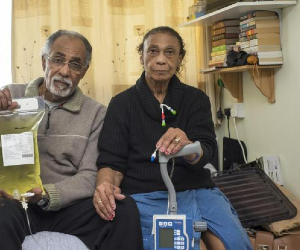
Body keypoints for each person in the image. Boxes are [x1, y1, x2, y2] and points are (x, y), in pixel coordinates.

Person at [0, 30, 143, 250]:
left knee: (124, 209)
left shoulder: (97, 113)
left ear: (84, 71)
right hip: (14, 200)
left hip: (69, 205)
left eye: (75, 64)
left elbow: (90, 175)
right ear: (44, 61)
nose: (64, 71)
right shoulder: (11, 96)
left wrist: (46, 196)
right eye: (58, 60)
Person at [94, 26, 253, 250]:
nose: (160, 59)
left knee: (236, 244)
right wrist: (105, 186)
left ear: (180, 59)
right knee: (173, 247)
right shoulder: (122, 104)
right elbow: (111, 164)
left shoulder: (196, 99)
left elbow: (206, 150)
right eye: (153, 51)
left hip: (198, 190)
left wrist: (188, 146)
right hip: (147, 195)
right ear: (142, 56)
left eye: (169, 52)